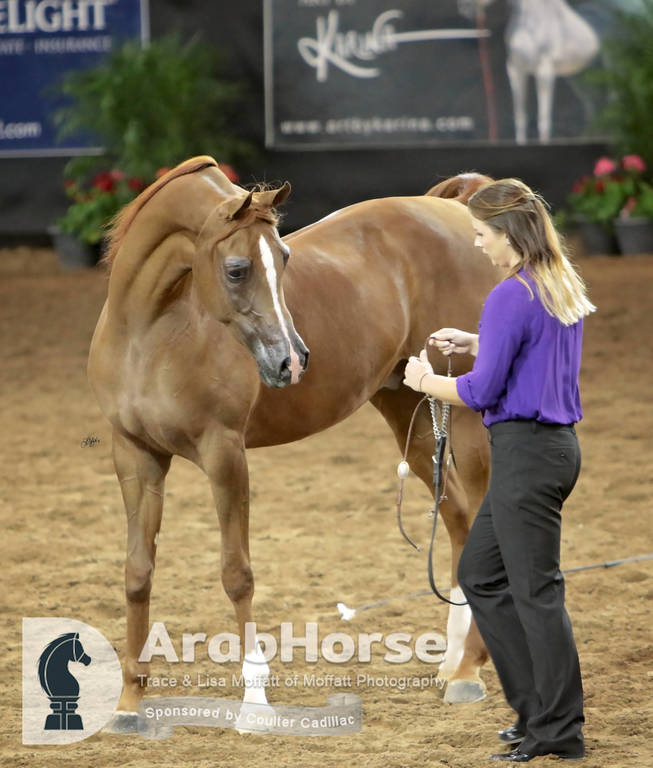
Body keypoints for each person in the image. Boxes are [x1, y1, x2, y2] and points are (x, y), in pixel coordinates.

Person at [403, 178, 595, 763]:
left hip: (526, 455)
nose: (478, 244)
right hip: (549, 451)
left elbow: (482, 391)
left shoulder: (510, 293)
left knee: (535, 594)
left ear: (508, 233)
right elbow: (533, 345)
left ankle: (557, 728)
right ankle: (539, 712)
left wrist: (425, 381)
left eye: (482, 234)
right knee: (484, 576)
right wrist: (477, 340)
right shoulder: (555, 281)